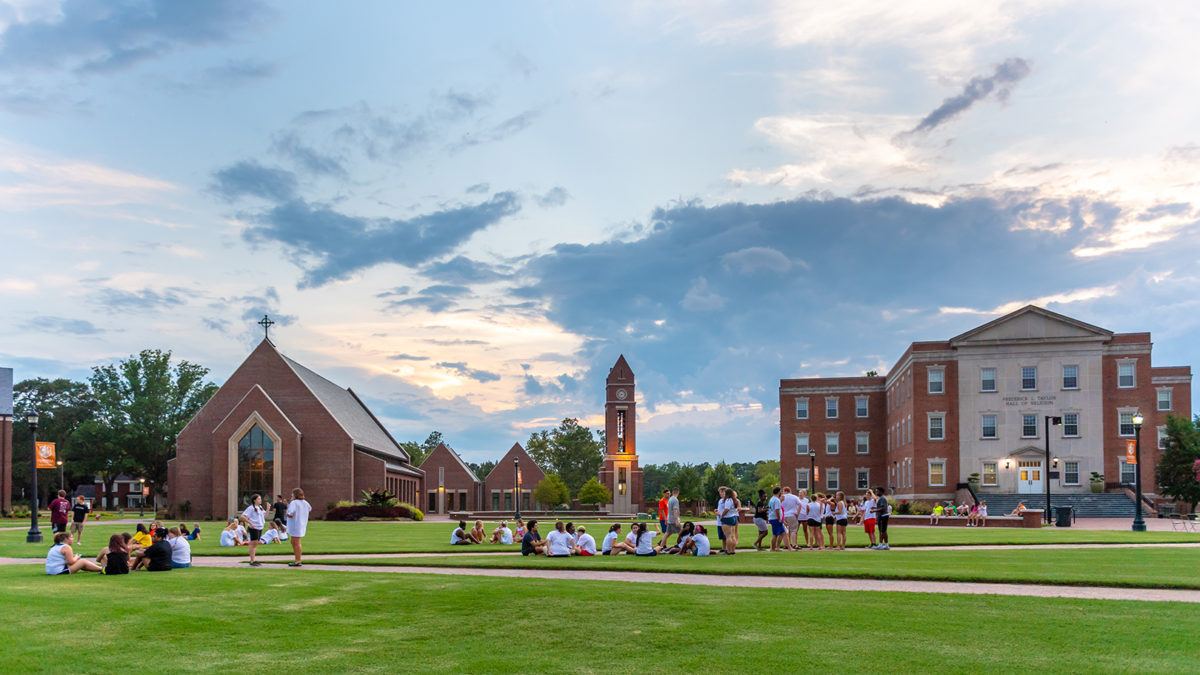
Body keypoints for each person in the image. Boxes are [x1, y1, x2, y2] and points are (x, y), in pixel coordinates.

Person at [286, 487, 312, 567]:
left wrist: (287, 513)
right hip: (302, 524)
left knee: (296, 543)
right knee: (294, 542)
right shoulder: (305, 502)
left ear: (295, 494)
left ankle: (298, 560)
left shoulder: (294, 503)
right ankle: (297, 559)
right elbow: (310, 509)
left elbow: (290, 513)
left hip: (295, 525)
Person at [242, 494, 267, 566]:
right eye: (259, 499)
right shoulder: (251, 508)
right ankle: (252, 561)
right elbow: (243, 517)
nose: (260, 500)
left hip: (260, 527)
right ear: (254, 500)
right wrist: (250, 523)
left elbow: (265, 516)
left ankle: (253, 559)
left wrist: (268, 509)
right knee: (253, 543)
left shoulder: (260, 507)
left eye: (260, 498)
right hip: (254, 527)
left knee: (255, 544)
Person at [716, 487, 738, 554]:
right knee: (732, 535)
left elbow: (727, 509)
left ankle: (728, 551)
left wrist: (722, 515)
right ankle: (733, 550)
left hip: (727, 518)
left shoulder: (728, 500)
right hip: (733, 517)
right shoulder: (734, 500)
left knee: (728, 536)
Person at [781, 486, 801, 551]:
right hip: (792, 515)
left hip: (784, 515)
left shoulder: (782, 497)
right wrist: (797, 513)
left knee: (785, 531)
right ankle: (794, 544)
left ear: (784, 491)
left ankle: (786, 545)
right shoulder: (794, 497)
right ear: (790, 491)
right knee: (793, 530)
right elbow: (800, 504)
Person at [767, 486, 785, 552]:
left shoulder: (771, 499)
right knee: (775, 534)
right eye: (781, 491)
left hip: (772, 517)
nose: (781, 492)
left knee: (782, 533)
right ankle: (773, 548)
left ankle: (777, 547)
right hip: (775, 518)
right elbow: (777, 510)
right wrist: (779, 518)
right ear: (778, 491)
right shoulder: (777, 500)